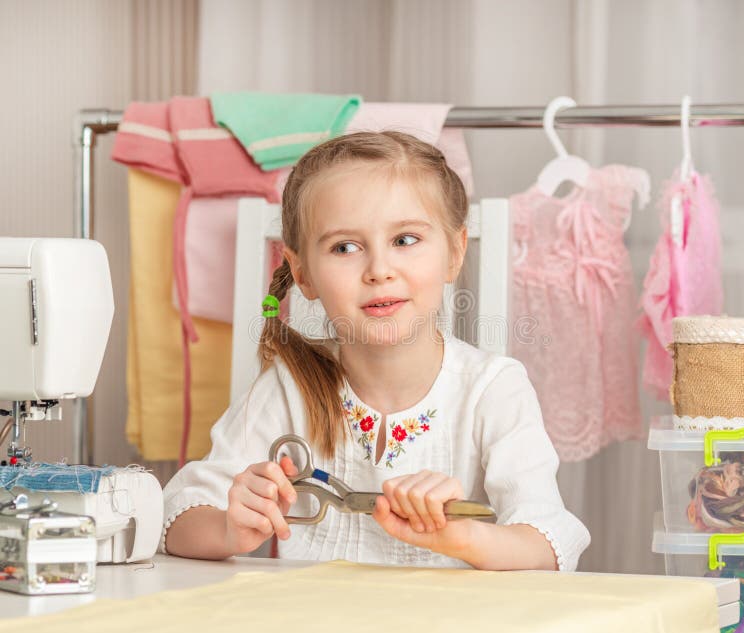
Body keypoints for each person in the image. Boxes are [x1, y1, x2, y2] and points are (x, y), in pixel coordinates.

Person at [162, 131, 590, 571]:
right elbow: (176, 519)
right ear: (302, 273)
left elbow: (548, 546)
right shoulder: (288, 388)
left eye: (405, 240)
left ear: (455, 253)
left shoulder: (494, 391)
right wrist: (229, 529)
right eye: (345, 247)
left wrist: (460, 537)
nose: (379, 271)